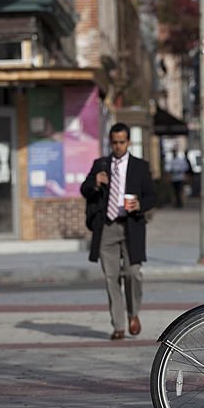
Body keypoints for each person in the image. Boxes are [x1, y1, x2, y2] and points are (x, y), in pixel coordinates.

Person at [81, 123, 156, 340]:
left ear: (128, 142)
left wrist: (139, 204)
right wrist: (95, 182)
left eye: (122, 142)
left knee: (133, 273)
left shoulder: (140, 166)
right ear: (110, 142)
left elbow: (152, 196)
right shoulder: (101, 164)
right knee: (110, 277)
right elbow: (84, 189)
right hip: (106, 227)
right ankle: (118, 325)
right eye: (114, 142)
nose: (118, 146)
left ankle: (133, 314)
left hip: (131, 225)